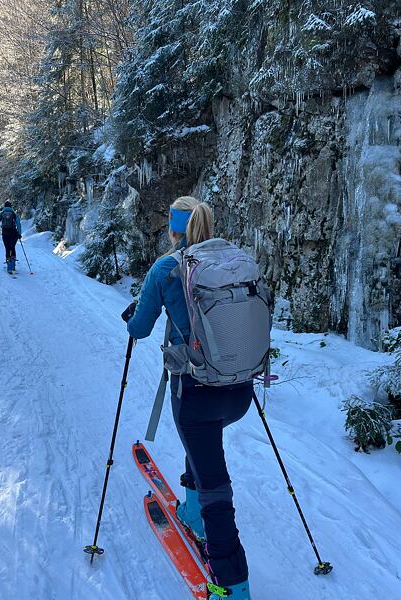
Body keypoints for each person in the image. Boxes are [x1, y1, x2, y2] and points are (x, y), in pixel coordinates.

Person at [122, 196, 252, 600]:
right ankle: (192, 511)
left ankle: (233, 584)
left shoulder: (165, 268)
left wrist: (134, 315)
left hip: (196, 394)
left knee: (217, 486)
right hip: (240, 390)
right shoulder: (232, 261)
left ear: (174, 228)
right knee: (206, 447)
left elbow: (141, 329)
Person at [0, 201, 22, 274]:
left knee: (7, 248)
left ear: (4, 206)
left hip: (5, 233)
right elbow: (18, 224)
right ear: (11, 206)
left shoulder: (1, 213)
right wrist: (19, 233)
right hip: (14, 233)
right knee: (12, 247)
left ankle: (9, 266)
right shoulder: (13, 214)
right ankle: (13, 265)